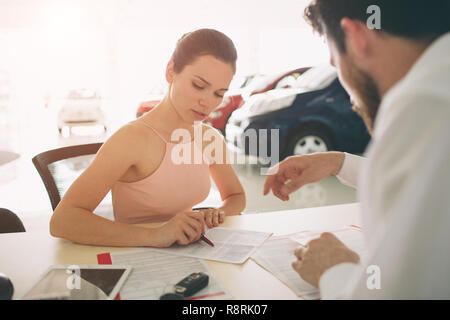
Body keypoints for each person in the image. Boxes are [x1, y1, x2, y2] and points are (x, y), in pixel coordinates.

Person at [264, 0, 450, 299]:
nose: (351, 97)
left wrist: (336, 271)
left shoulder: (424, 106)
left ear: (355, 36)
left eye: (336, 64)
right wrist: (339, 163)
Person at [50, 29, 246, 248]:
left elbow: (236, 196)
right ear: (171, 71)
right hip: (141, 258)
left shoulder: (209, 138)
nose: (207, 102)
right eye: (199, 86)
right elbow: (63, 221)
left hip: (190, 255)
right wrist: (156, 235)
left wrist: (217, 213)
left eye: (219, 93)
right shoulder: (131, 139)